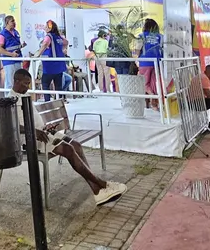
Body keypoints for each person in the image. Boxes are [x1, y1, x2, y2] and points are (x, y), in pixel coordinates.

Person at [11, 68, 126, 205]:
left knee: (76, 145)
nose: (27, 87)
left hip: (43, 133)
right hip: (32, 140)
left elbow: (33, 120)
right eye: (25, 83)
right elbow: (13, 126)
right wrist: (35, 132)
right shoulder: (10, 100)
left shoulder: (25, 96)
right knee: (68, 150)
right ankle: (101, 184)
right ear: (16, 81)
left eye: (29, 84)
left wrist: (46, 127)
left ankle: (97, 189)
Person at [133, 18, 164, 111]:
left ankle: (152, 96)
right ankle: (155, 103)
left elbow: (137, 50)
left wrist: (136, 59)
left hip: (145, 62)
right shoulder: (161, 36)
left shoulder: (141, 36)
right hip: (158, 62)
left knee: (145, 83)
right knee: (155, 83)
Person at [36, 20, 68, 101]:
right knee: (58, 86)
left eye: (46, 26)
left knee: (45, 84)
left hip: (50, 66)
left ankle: (47, 102)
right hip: (59, 65)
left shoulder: (48, 36)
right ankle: (59, 102)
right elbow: (66, 42)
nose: (45, 28)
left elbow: (45, 44)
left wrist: (37, 54)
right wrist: (63, 50)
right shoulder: (58, 37)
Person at [0, 15, 26, 90]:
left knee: (18, 81)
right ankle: (8, 100)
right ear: (7, 22)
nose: (14, 23)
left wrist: (21, 46)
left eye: (14, 21)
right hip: (9, 61)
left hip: (18, 59)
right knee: (10, 82)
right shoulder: (2, 35)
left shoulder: (15, 32)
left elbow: (14, 46)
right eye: (12, 21)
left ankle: (17, 98)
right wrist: (11, 54)